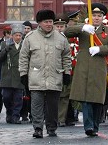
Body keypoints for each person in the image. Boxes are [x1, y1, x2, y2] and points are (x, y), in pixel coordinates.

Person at [64, 3, 108, 137]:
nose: (96, 18)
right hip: (84, 67)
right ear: (90, 16)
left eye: (99, 15)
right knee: (85, 98)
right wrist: (82, 27)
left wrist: (100, 49)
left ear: (103, 17)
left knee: (97, 99)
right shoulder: (84, 28)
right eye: (94, 15)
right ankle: (88, 126)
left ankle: (95, 126)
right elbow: (67, 32)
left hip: (99, 67)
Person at [19, 9, 72, 139]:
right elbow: (24, 57)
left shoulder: (61, 38)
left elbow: (66, 56)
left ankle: (52, 128)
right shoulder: (30, 38)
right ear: (39, 23)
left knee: (53, 106)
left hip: (55, 77)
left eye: (50, 22)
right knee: (36, 105)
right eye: (46, 22)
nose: (49, 24)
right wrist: (23, 74)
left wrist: (67, 73)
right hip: (36, 77)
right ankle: (37, 128)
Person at [0, 23, 25, 124]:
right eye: (16, 35)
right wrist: (5, 50)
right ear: (12, 35)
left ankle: (15, 116)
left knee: (18, 98)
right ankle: (9, 112)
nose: (18, 37)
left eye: (20, 35)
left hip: (19, 74)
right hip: (7, 75)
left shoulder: (24, 45)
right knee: (6, 97)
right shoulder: (5, 44)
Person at [54, 13, 76, 127]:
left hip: (67, 71)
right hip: (53, 71)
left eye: (61, 26)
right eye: (57, 26)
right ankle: (52, 118)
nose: (59, 28)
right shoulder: (49, 38)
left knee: (65, 96)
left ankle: (61, 119)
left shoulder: (71, 39)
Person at [0, 25, 12, 123]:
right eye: (8, 33)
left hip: (10, 73)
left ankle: (9, 113)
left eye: (11, 33)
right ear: (4, 33)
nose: (9, 35)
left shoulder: (15, 43)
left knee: (9, 96)